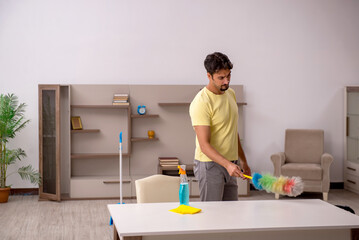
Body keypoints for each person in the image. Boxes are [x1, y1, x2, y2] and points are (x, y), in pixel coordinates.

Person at [189, 52, 251, 201]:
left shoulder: (231, 94)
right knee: (212, 216)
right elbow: (204, 145)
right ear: (209, 76)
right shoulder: (201, 102)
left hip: (231, 163)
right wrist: (228, 165)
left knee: (231, 214)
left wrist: (243, 160)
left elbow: (232, 131)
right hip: (210, 166)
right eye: (221, 78)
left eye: (228, 76)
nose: (226, 81)